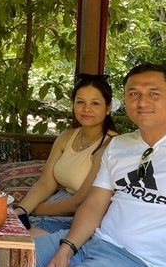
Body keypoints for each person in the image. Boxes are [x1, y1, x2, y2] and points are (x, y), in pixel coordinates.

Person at [34, 63, 166, 267]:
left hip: (146, 265)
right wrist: (68, 247)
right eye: (134, 94)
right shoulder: (119, 145)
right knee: (10, 262)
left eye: (153, 93)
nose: (142, 101)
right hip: (93, 241)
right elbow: (95, 204)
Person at [13, 74, 118, 236]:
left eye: (95, 103)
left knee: (21, 247)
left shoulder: (110, 145)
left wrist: (36, 209)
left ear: (108, 107)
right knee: (3, 230)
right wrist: (20, 210)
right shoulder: (67, 136)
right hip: (56, 204)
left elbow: (79, 203)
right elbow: (46, 183)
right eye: (80, 102)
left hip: (79, 216)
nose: (86, 109)